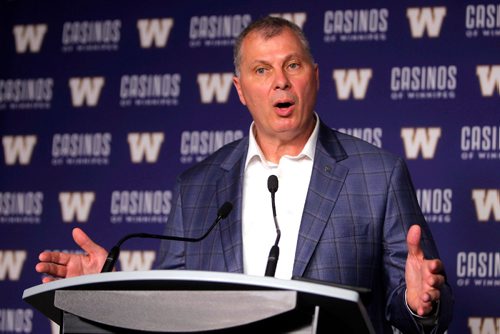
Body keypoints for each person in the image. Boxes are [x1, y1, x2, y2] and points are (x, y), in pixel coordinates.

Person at [36, 16, 453, 333]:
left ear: (315, 77)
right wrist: (100, 293)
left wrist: (421, 303)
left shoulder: (377, 174)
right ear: (240, 90)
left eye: (293, 65)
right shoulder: (197, 186)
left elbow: (427, 303)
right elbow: (169, 308)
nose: (280, 83)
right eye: (261, 70)